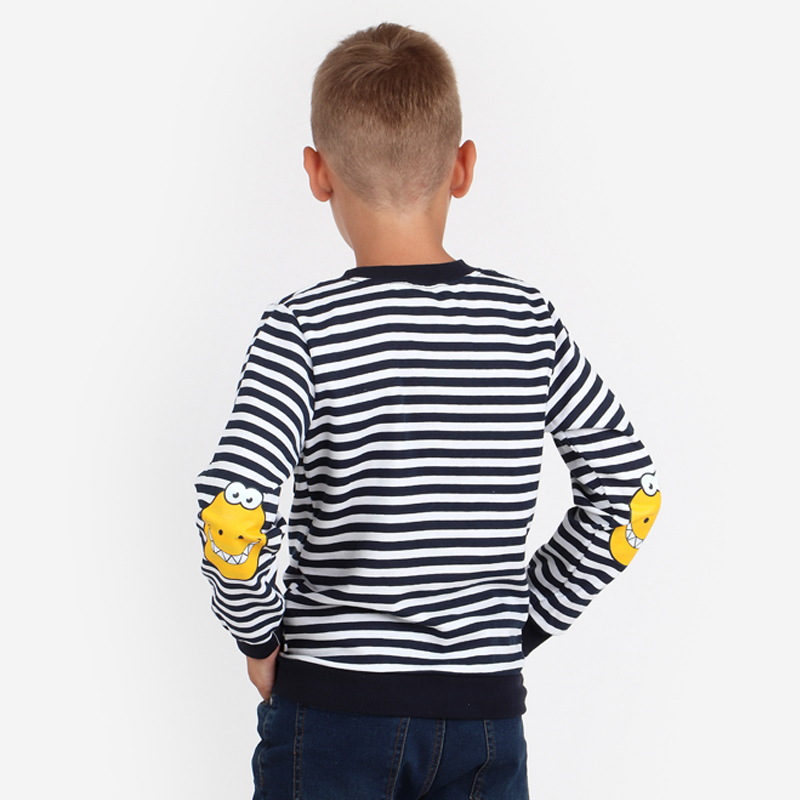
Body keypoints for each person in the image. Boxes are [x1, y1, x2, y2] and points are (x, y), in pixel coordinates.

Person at [195, 22, 661, 800]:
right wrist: (520, 624)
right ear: (463, 166)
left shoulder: (302, 329)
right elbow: (630, 493)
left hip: (334, 710)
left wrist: (259, 635)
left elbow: (231, 504)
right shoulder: (525, 322)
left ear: (317, 172)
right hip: (485, 722)